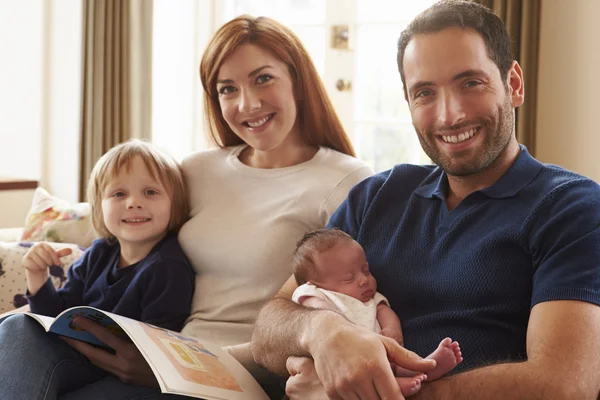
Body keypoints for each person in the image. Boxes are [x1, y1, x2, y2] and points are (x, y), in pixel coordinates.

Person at [0, 16, 436, 400]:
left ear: (297, 80)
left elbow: (344, 311)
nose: (247, 104)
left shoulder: (346, 181)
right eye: (228, 89)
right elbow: (128, 242)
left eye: (263, 79)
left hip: (238, 374)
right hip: (157, 354)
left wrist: (174, 367)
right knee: (15, 331)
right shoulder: (196, 171)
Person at [250, 1, 600, 399]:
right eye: (425, 93)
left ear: (513, 84)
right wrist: (320, 332)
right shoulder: (376, 195)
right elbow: (268, 329)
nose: (449, 116)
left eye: (470, 83)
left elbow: (565, 384)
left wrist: (375, 394)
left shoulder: (572, 208)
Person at [0, 139, 195, 399]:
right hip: (73, 358)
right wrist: (37, 276)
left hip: (117, 373)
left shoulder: (167, 268)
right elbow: (54, 318)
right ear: (100, 207)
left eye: (150, 192)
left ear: (176, 203)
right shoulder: (99, 253)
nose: (133, 202)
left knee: (16, 332)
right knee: (15, 326)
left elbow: (156, 355)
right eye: (119, 194)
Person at [291, 228, 462, 396]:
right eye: (349, 278)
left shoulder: (370, 299)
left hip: (380, 349)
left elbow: (384, 310)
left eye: (366, 270)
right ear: (314, 284)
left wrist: (391, 329)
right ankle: (394, 385)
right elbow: (317, 312)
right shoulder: (315, 293)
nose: (364, 280)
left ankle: (425, 366)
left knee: (398, 361)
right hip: (338, 359)